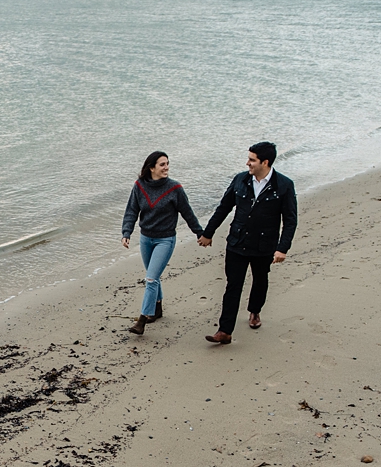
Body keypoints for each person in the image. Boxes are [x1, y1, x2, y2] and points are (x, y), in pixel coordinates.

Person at [198, 142, 297, 344]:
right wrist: (208, 233)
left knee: (260, 281)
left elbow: (290, 220)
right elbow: (223, 207)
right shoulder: (240, 180)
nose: (247, 163)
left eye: (252, 160)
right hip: (237, 242)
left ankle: (255, 311)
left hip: (264, 245)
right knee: (233, 285)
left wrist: (282, 248)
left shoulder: (284, 185)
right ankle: (224, 331)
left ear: (265, 162)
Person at [121, 151, 204, 335]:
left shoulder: (175, 188)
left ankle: (142, 320)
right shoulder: (139, 186)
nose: (166, 167)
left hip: (165, 239)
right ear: (152, 168)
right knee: (153, 275)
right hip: (145, 238)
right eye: (162, 164)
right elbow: (131, 211)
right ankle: (157, 309)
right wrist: (126, 232)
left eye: (167, 163)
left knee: (150, 279)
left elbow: (187, 212)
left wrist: (200, 233)